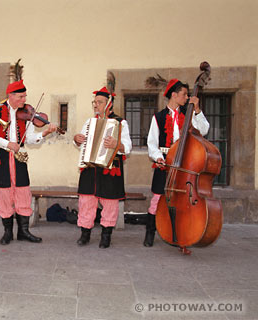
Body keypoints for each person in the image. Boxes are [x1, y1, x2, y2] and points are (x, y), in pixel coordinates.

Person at [0, 80, 57, 245]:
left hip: (19, 158)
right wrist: (7, 143)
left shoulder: (25, 113)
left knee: (23, 192)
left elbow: (29, 139)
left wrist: (44, 134)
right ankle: (7, 232)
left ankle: (24, 231)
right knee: (3, 195)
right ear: (11, 95)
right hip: (1, 157)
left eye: (25, 97)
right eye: (21, 97)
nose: (24, 100)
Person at [144, 79, 209, 247]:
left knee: (181, 200)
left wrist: (197, 110)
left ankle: (177, 233)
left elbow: (204, 129)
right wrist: (158, 157)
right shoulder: (158, 117)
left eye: (188, 94)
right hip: (165, 163)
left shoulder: (188, 115)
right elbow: (152, 143)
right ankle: (150, 232)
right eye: (184, 94)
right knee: (158, 199)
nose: (187, 98)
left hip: (183, 165)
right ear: (173, 95)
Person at [73, 87, 132, 249]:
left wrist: (116, 145)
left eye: (99, 102)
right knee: (86, 200)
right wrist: (77, 140)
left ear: (109, 104)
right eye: (95, 102)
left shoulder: (121, 123)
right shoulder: (89, 122)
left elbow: (127, 147)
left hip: (110, 167)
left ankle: (106, 235)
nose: (95, 105)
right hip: (90, 167)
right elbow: (81, 144)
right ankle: (85, 234)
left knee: (110, 203)